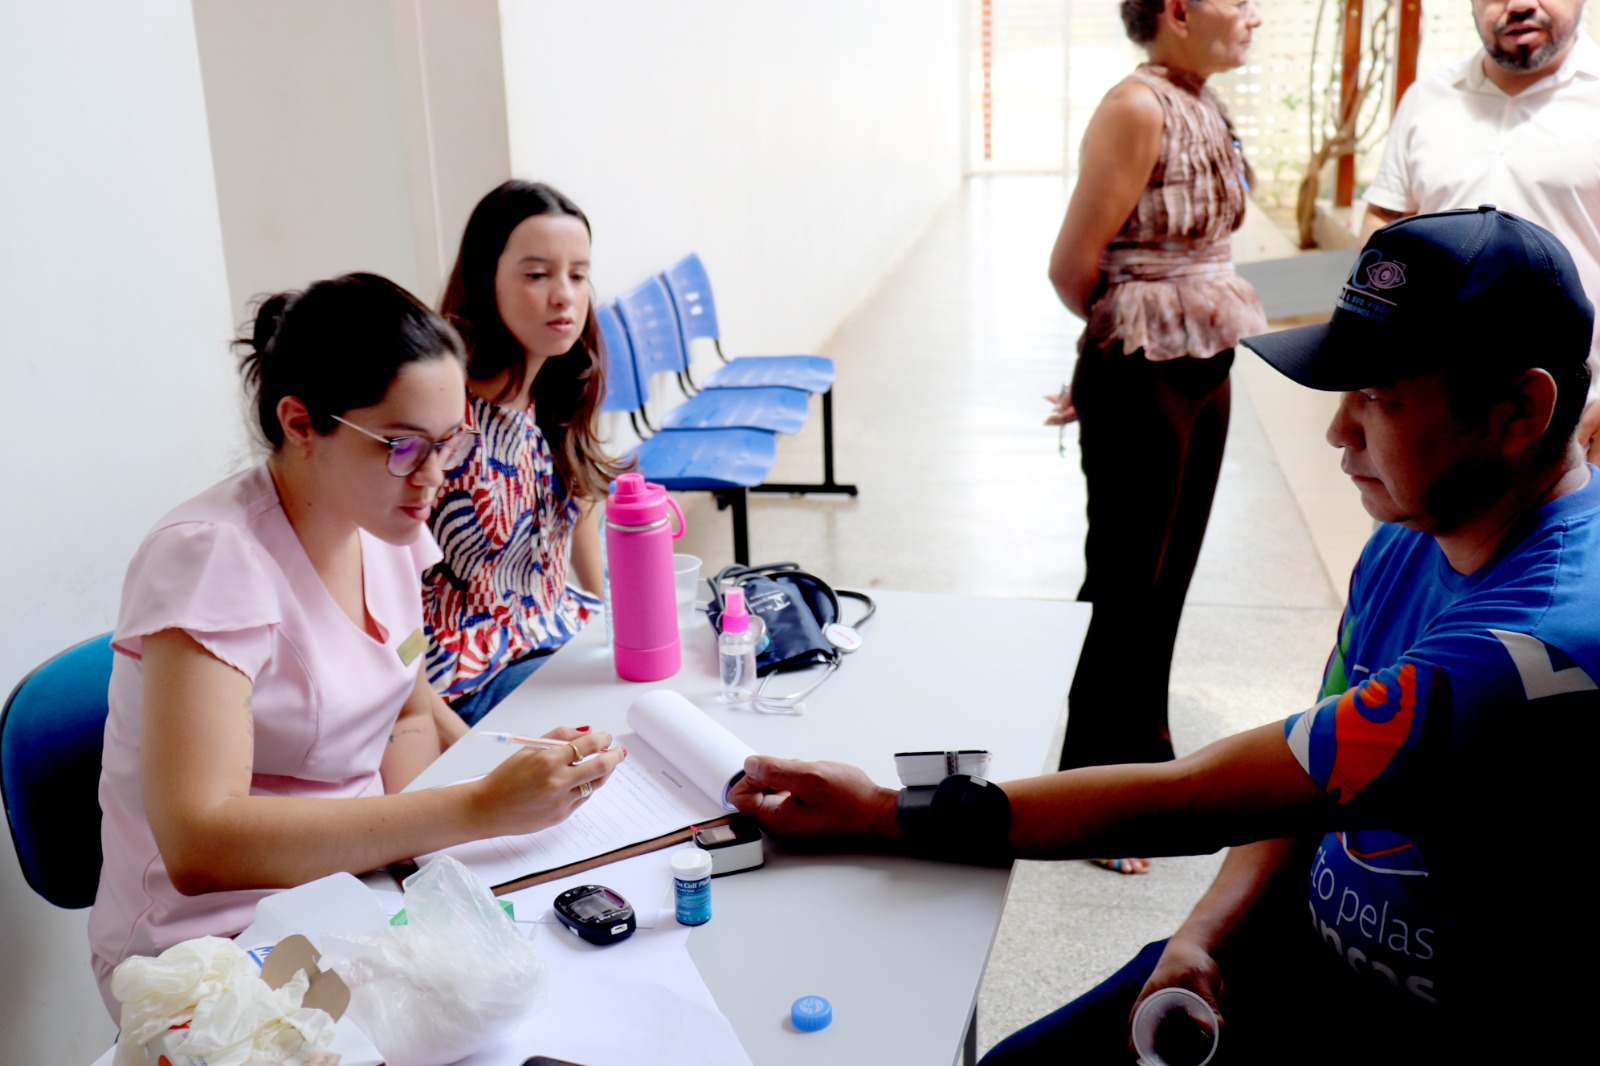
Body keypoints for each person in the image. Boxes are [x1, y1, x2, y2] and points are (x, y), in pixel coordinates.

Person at [734, 208, 1597, 1060]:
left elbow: (1196, 798)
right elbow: (1309, 782)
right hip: (1292, 954)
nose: (1339, 433)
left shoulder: (1533, 648)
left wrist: (886, 814)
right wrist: (1207, 935)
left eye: (1379, 397)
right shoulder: (1411, 537)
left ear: (1520, 411)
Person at [89, 273, 626, 1019]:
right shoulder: (211, 560)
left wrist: (501, 793)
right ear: (301, 422)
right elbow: (201, 843)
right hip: (216, 951)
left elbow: (406, 711)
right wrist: (473, 808)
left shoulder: (385, 528)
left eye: (449, 443)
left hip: (349, 890)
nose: (435, 477)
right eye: (403, 446)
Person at [1043, 0, 1269, 872]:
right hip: (1143, 362)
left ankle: (1144, 757)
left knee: (1168, 576)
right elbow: (1073, 265)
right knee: (1126, 579)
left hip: (1202, 353)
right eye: (1237, 0)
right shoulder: (1135, 106)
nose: (1253, 15)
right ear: (1177, 10)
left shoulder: (1203, 98)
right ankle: (1092, 792)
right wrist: (1119, 345)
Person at [423, 181, 630, 728]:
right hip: (474, 673)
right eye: (537, 274)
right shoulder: (443, 419)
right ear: (485, 278)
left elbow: (577, 492)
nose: (564, 295)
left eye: (578, 275)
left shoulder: (554, 392)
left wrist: (602, 603)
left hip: (556, 631)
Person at [1362, 0, 1600, 459]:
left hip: (1579, 414)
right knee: (1414, 531)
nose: (1519, 5)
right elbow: (1385, 220)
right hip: (1427, 404)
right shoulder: (1428, 96)